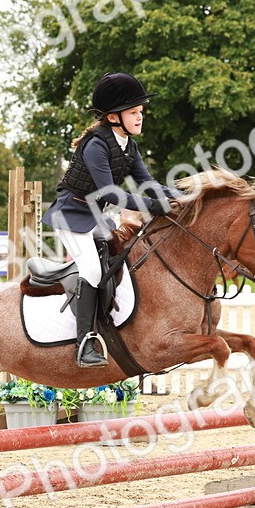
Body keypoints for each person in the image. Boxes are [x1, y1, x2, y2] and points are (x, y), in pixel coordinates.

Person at [42, 72, 183, 368]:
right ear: (113, 117)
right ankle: (85, 342)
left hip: (97, 215)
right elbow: (111, 193)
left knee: (120, 259)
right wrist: (154, 206)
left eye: (141, 111)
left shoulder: (128, 145)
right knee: (92, 270)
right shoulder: (96, 145)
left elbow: (147, 182)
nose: (140, 117)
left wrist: (182, 197)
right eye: (134, 112)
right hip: (73, 214)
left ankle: (114, 324)